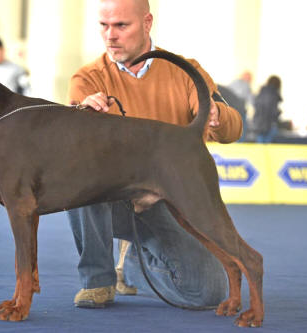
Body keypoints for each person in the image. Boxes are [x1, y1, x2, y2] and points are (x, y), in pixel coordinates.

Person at [67, 0, 243, 309]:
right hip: (116, 199)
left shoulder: (186, 71)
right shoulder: (87, 79)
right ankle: (98, 281)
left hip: (173, 200)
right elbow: (77, 153)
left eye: (122, 25)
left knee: (209, 293)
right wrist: (84, 118)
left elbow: (232, 131)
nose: (110, 35)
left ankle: (133, 265)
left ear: (147, 23)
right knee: (77, 173)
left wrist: (217, 114)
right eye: (104, 26)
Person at [252, 75, 282, 143]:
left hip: (258, 124)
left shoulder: (261, 92)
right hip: (270, 124)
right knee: (268, 147)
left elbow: (255, 105)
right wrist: (279, 112)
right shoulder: (274, 94)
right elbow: (273, 111)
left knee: (260, 145)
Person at [229, 71, 254, 141]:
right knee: (241, 131)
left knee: (232, 131)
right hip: (240, 112)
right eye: (249, 79)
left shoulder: (232, 84)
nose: (250, 81)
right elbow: (251, 100)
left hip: (231, 112)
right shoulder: (246, 85)